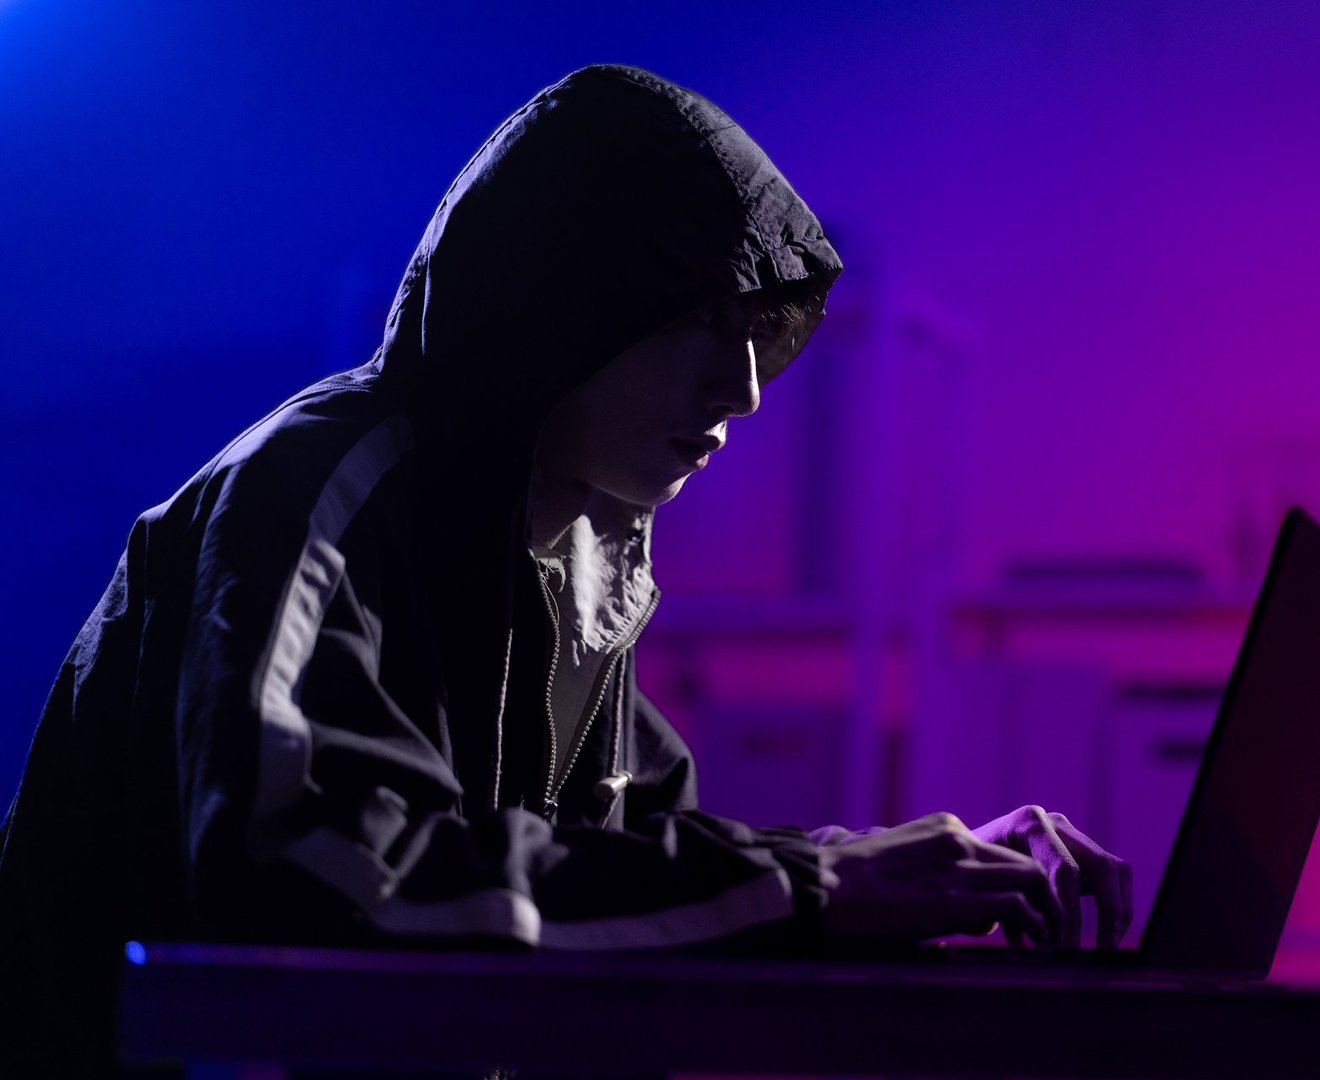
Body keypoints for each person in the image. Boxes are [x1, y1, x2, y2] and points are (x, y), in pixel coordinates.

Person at [0, 64, 1130, 1075]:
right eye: (699, 320)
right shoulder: (312, 490)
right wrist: (821, 889)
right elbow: (314, 882)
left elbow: (628, 874)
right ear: (560, 304)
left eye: (760, 331)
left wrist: (902, 878)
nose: (743, 391)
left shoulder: (587, 545)